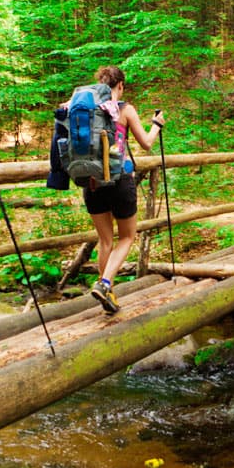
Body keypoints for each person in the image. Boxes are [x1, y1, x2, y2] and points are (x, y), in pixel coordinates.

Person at [61, 66, 165, 314]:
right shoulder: (124, 109)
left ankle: (107, 294)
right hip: (120, 181)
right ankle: (105, 284)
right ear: (120, 85)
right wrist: (157, 124)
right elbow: (147, 144)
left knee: (105, 240)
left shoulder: (79, 106)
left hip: (91, 182)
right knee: (127, 237)